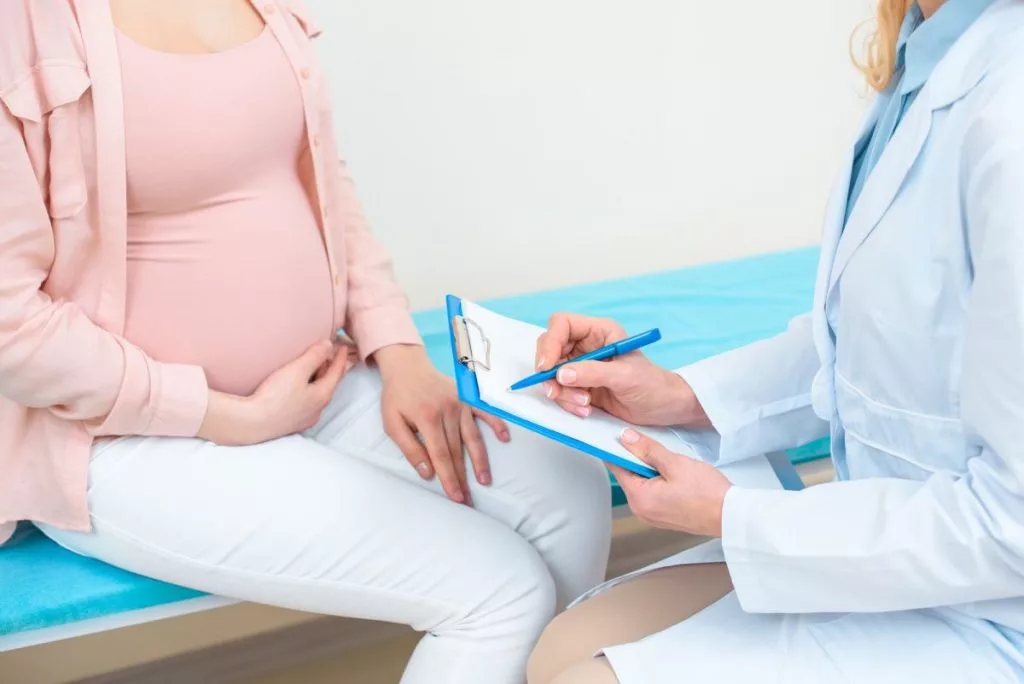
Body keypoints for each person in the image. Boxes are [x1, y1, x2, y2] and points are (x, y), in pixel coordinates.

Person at [0, 1, 612, 682]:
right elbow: (9, 323)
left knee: (569, 488)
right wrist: (230, 417)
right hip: (122, 437)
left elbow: (318, 179)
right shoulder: (22, 26)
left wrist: (397, 348)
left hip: (318, 381)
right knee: (500, 591)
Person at [526, 0, 1024, 682]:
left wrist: (733, 515)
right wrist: (674, 396)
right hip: (896, 553)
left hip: (992, 606)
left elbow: (1012, 528)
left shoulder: (1008, 108)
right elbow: (858, 341)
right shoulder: (924, 54)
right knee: (561, 646)